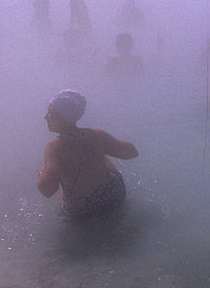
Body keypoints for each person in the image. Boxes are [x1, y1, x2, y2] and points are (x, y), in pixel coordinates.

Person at [37, 90, 138, 219]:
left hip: (82, 209)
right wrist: (101, 146)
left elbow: (47, 190)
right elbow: (131, 153)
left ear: (63, 116)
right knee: (99, 153)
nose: (45, 117)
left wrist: (43, 175)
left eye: (50, 112)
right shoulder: (96, 134)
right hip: (114, 196)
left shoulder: (53, 147)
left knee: (62, 176)